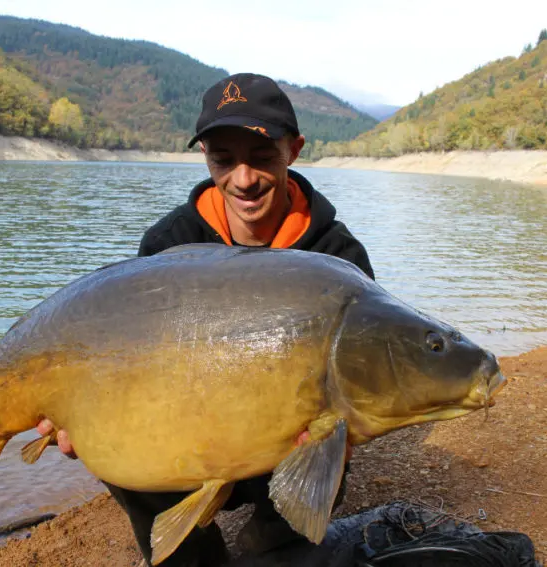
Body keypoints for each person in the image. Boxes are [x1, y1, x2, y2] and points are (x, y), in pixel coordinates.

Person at [37, 72, 375, 566]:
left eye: (261, 157)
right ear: (205, 158)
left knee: (328, 447)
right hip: (189, 428)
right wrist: (77, 410)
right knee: (115, 440)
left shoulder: (337, 255)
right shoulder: (167, 244)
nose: (243, 179)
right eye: (224, 159)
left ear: (294, 149)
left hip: (283, 437)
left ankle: (273, 546)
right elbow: (126, 355)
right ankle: (192, 554)